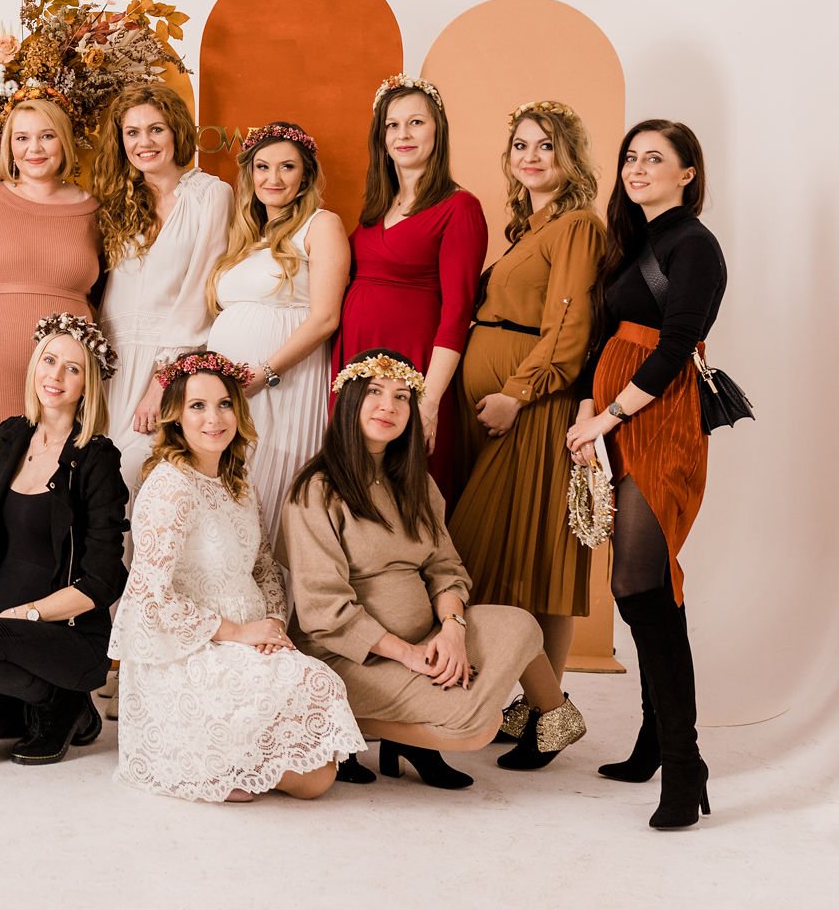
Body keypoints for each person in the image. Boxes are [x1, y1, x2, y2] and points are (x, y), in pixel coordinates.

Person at [280, 350, 585, 789]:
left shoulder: (415, 483)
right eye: (375, 392)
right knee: (472, 727)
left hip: (427, 639)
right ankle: (353, 730)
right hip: (347, 658)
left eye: (402, 397)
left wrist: (452, 631)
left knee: (520, 625)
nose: (388, 406)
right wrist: (410, 656)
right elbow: (324, 611)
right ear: (349, 401)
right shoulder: (316, 490)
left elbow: (444, 567)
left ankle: (554, 721)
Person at [564, 120, 726, 830]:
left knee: (639, 581)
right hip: (615, 419)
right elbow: (601, 337)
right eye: (630, 157)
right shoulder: (630, 241)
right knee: (643, 585)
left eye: (654, 158)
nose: (637, 168)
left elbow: (677, 346)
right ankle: (657, 740)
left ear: (687, 172)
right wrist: (585, 413)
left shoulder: (696, 245)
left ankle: (685, 764)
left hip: (661, 420)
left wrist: (609, 416)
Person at [112, 353, 363, 802]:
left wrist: (272, 626)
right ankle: (208, 760)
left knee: (319, 747)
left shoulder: (239, 484)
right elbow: (151, 598)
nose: (214, 418)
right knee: (315, 774)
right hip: (188, 652)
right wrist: (239, 633)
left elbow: (264, 566)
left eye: (224, 404)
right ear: (176, 416)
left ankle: (237, 760)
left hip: (250, 640)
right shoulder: (170, 486)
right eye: (198, 406)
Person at [449, 103, 605, 703]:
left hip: (533, 410)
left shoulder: (577, 226)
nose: (531, 156)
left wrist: (517, 394)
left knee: (524, 563)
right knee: (518, 559)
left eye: (546, 145)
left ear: (570, 156)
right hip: (496, 410)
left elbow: (570, 327)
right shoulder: (528, 230)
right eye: (521, 145)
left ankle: (551, 710)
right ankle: (532, 706)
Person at [0, 315, 127, 767]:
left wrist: (23, 616)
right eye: (49, 361)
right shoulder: (11, 436)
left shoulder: (96, 459)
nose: (56, 376)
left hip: (65, 635)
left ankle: (64, 700)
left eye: (72, 368)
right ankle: (36, 703)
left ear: (87, 384)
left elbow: (102, 581)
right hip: (1, 629)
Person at [0, 90, 103, 566]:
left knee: (62, 488)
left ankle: (53, 601)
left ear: (65, 142)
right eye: (21, 138)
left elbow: (111, 293)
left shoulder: (96, 212)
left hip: (69, 375)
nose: (33, 148)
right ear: (7, 145)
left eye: (46, 136)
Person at [336, 75, 486, 504]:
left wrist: (429, 400)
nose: (403, 134)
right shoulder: (376, 206)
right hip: (357, 361)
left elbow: (457, 312)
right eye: (392, 125)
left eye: (416, 122)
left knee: (405, 488)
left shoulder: (460, 208)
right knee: (354, 484)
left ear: (438, 130)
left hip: (414, 367)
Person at [203, 122, 348, 548]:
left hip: (285, 384)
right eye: (263, 167)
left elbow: (325, 318)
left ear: (306, 175)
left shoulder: (321, 225)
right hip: (234, 390)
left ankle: (277, 592)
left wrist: (265, 373)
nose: (274, 178)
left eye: (287, 167)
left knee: (270, 495)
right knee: (230, 498)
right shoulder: (246, 236)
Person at [93, 83, 233, 498]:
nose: (145, 142)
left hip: (171, 362)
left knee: (142, 477)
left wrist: (161, 382)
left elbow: (199, 293)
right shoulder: (116, 201)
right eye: (132, 132)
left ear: (176, 132)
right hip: (112, 366)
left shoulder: (210, 195)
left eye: (156, 129)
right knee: (101, 486)